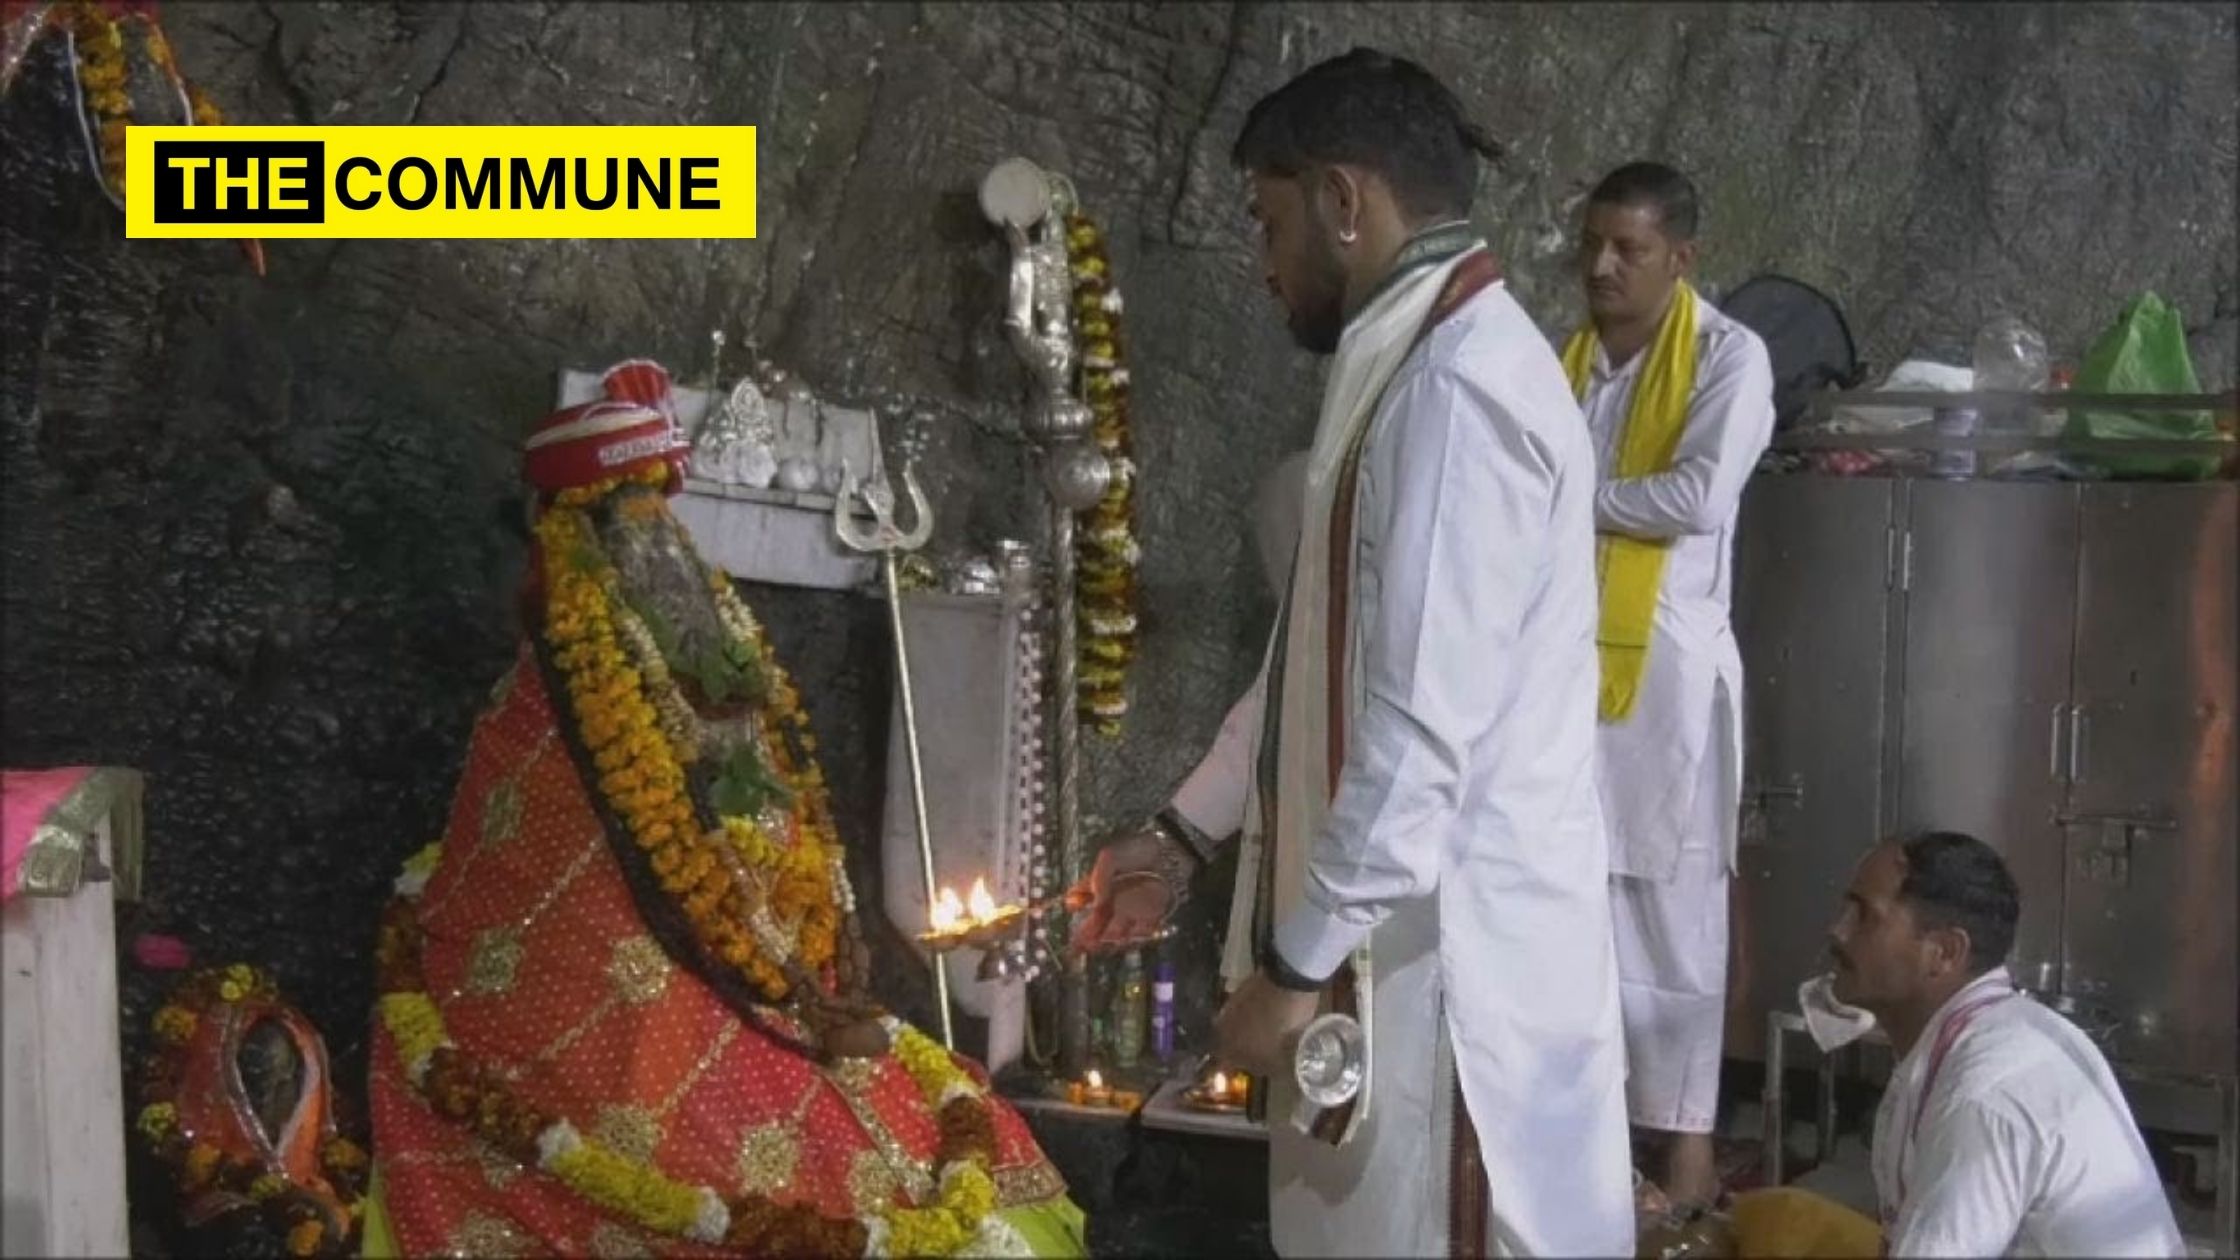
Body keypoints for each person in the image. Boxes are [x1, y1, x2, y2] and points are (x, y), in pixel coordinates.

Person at [1073, 48, 1633, 1258]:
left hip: (1451, 980)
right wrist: (1178, 835)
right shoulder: (1405, 364)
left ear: (1342, 201)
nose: (1263, 267)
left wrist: (1290, 969)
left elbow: (1419, 728)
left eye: (1267, 224)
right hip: (1392, 955)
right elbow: (1313, 656)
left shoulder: (1457, 390)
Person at [359, 380, 1086, 1258]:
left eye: (656, 517)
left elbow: (780, 867)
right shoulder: (601, 699)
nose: (653, 543)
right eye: (632, 518)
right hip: (666, 1037)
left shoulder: (675, 692)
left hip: (735, 1020)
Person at [1561, 160, 1776, 1206]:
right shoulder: (1565, 361)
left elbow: (1693, 496)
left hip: (1668, 681)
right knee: (1574, 901)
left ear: (1681, 259)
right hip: (1566, 673)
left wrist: (1561, 500)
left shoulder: (1730, 359)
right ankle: (1593, 1139)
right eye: (1592, 244)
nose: (1600, 266)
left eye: (1628, 250)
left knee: (1674, 913)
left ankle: (1685, 1156)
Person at [1820, 831, 2185, 1257]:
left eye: (1864, 916)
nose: (1838, 931)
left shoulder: (1984, 1093)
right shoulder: (1990, 1034)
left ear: (1944, 952)